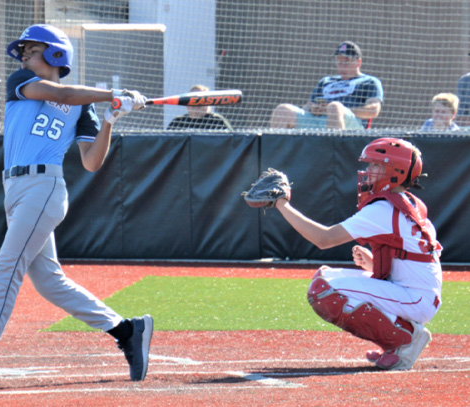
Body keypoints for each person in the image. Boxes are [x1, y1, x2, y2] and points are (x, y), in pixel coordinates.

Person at [0, 24, 153, 389]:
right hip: (16, 187)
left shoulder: (82, 106)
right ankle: (127, 330)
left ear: (56, 53)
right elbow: (60, 92)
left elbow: (91, 162)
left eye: (32, 48)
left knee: (7, 267)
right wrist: (113, 94)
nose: (23, 53)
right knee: (50, 283)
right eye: (24, 49)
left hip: (43, 187)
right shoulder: (23, 81)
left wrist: (110, 118)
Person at [273, 138, 441, 370]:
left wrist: (282, 204)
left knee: (324, 290)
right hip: (418, 294)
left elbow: (324, 239)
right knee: (325, 276)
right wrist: (375, 265)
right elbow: (416, 260)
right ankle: (397, 340)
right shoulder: (408, 202)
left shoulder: (384, 208)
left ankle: (404, 340)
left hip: (415, 298)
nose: (367, 171)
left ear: (395, 171)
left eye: (375, 166)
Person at [270, 41, 383, 130]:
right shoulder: (326, 81)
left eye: (346, 61)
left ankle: (333, 155)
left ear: (358, 62)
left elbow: (373, 111)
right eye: (339, 61)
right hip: (318, 119)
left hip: (350, 124)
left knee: (334, 107)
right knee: (283, 110)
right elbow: (306, 106)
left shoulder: (369, 81)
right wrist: (313, 109)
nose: (342, 65)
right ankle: (275, 158)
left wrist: (339, 110)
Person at [167, 85, 233, 131]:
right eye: (193, 100)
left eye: (200, 100)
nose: (196, 103)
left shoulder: (217, 121)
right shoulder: (178, 123)